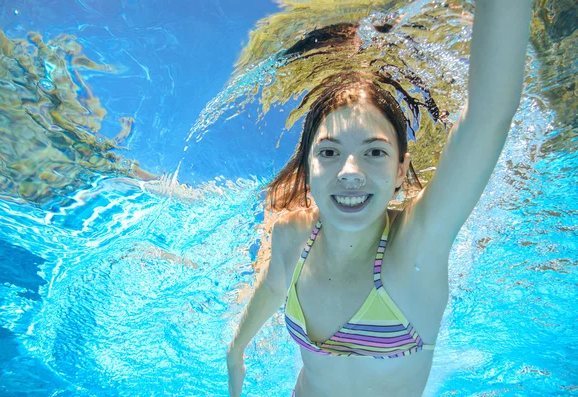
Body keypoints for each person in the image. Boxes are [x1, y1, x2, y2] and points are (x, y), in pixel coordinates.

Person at [227, 1, 532, 396]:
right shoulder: (292, 236)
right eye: (329, 152)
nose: (350, 172)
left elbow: (488, 115)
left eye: (374, 152)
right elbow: (271, 288)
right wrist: (236, 351)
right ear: (308, 164)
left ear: (400, 171)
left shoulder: (415, 249)